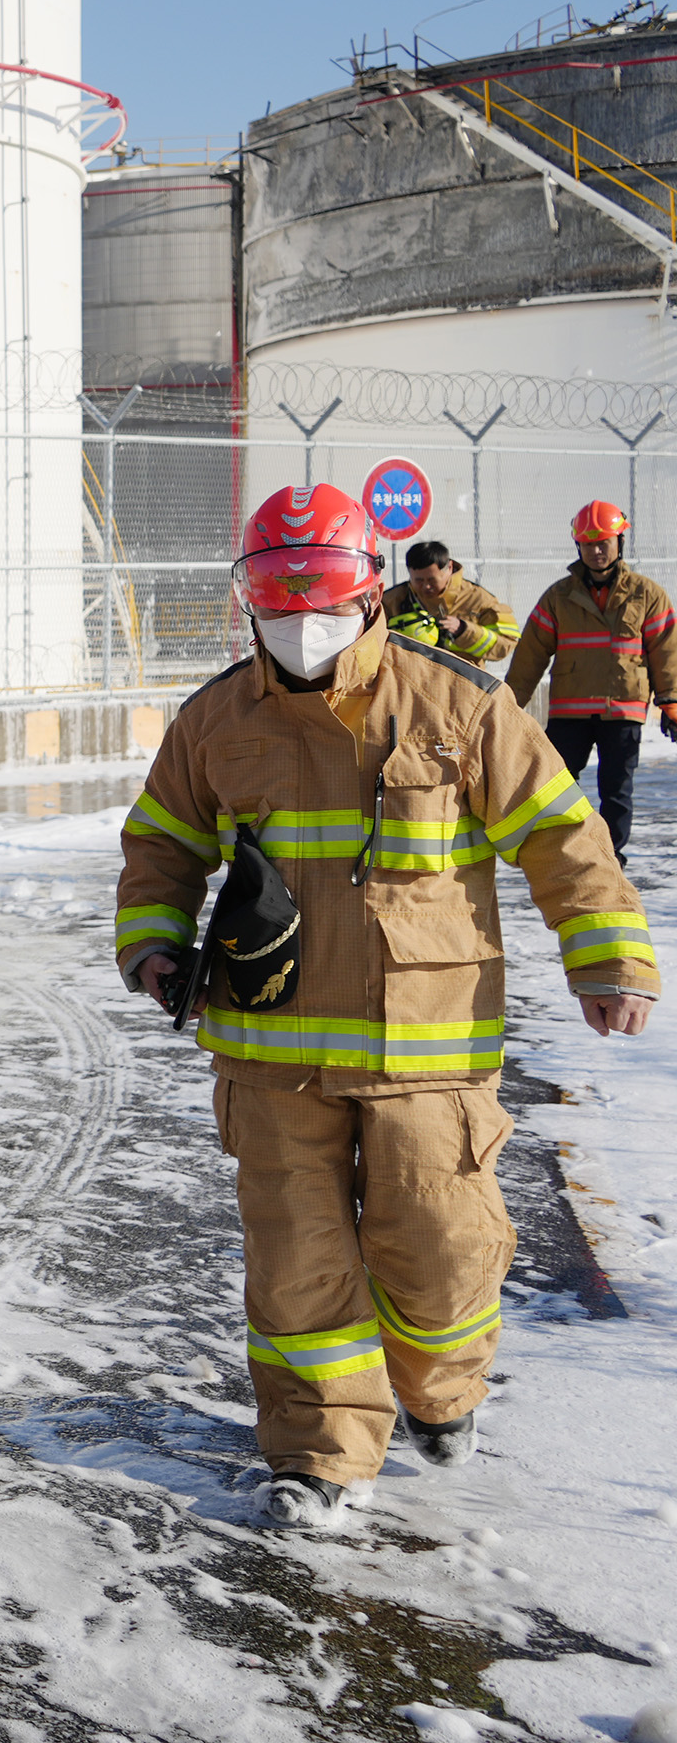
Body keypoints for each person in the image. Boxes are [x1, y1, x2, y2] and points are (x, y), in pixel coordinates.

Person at [118, 484, 655, 1531]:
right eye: (278, 597)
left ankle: (442, 1383)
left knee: (442, 1244)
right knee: (297, 1263)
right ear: (249, 599)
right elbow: (163, 843)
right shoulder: (217, 719)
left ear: (369, 593)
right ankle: (320, 1452)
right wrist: (152, 942)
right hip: (271, 1052)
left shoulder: (456, 705)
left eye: (321, 596)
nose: (300, 621)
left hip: (429, 1048)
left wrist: (609, 955)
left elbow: (560, 832)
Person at [505, 501, 677, 857]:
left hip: (622, 711)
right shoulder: (559, 596)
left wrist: (671, 700)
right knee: (555, 783)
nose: (597, 551)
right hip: (571, 711)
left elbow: (666, 651)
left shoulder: (646, 595)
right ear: (577, 546)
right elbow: (530, 656)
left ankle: (611, 860)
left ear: (620, 542)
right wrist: (508, 706)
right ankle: (565, 852)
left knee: (616, 790)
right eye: (588, 544)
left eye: (604, 542)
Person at [378, 541, 512, 666]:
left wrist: (464, 630)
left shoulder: (478, 599)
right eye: (418, 580)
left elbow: (504, 646)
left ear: (449, 568)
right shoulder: (391, 600)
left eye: (432, 580)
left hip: (462, 684)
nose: (426, 587)